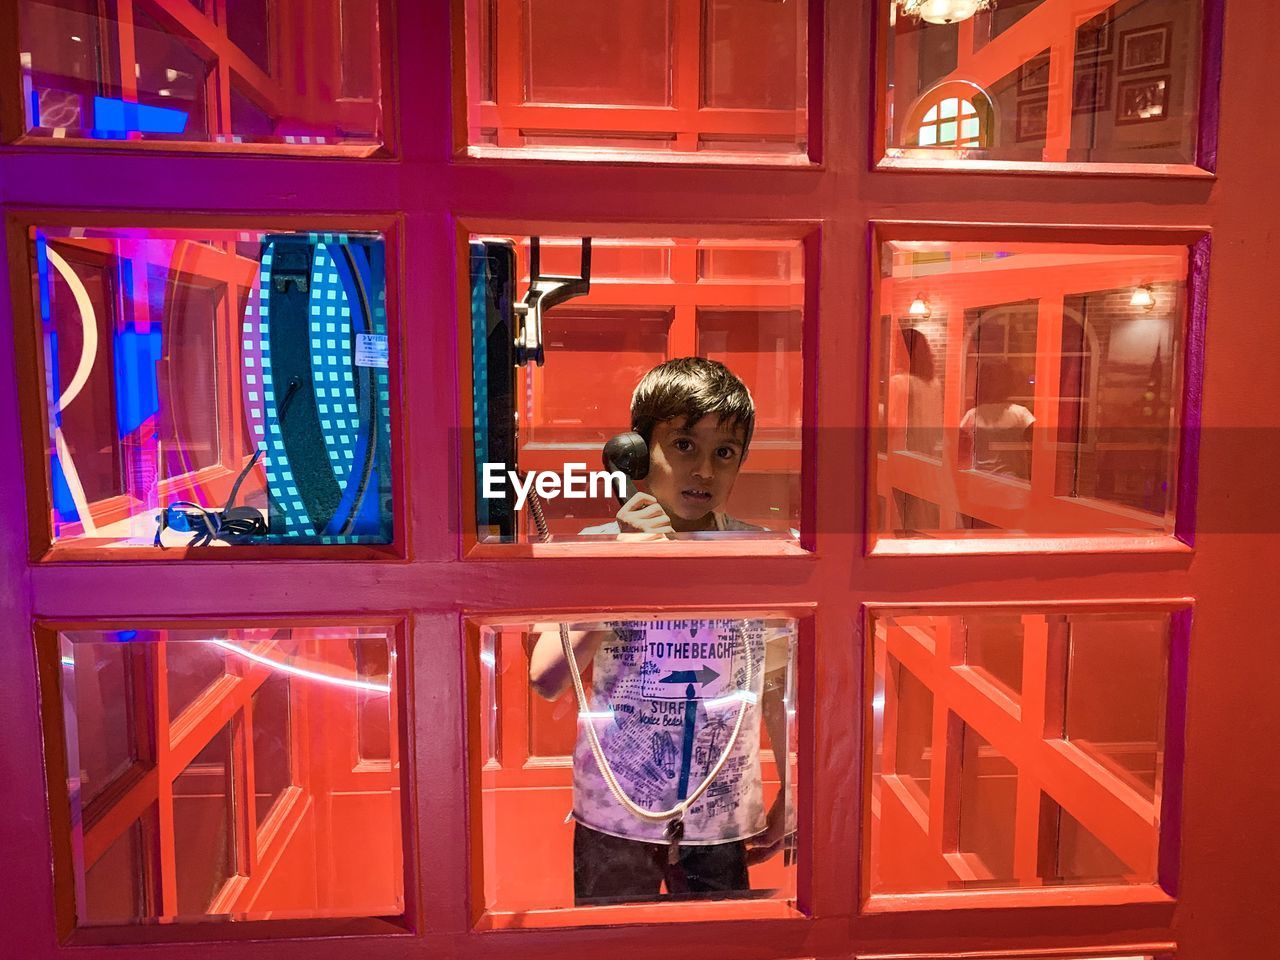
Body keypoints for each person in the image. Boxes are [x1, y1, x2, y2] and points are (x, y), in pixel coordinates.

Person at [529, 358, 794, 905]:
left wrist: (795, 789)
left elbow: (776, 685)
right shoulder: (596, 550)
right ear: (638, 452)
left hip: (719, 811)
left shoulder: (758, 554)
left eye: (724, 453)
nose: (703, 472)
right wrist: (622, 569)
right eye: (683, 446)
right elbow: (547, 677)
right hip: (612, 813)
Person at [959, 359, 1036, 479]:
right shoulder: (1021, 414)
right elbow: (1037, 445)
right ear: (1009, 383)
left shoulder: (972, 415)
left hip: (980, 481)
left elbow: (960, 448)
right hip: (1013, 483)